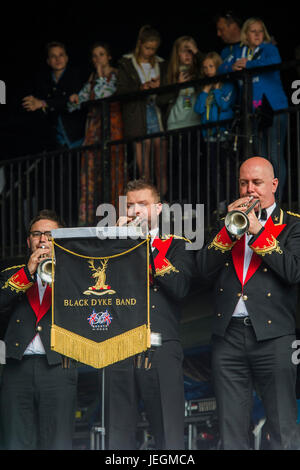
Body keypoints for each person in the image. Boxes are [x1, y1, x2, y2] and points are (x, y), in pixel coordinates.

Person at [196, 156, 300, 450]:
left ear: (274, 185)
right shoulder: (225, 223)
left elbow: (293, 271)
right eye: (244, 182)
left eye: (257, 182)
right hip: (228, 335)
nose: (249, 190)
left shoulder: (292, 224)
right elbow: (202, 269)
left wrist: (257, 231)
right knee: (231, 427)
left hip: (274, 336)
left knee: (282, 424)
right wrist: (229, 232)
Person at [104, 179, 195, 450]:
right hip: (119, 345)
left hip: (161, 346)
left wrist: (145, 245)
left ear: (158, 209)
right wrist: (115, 245)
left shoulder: (178, 245)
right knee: (117, 434)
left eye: (142, 204)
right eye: (129, 205)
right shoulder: (110, 245)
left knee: (168, 432)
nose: (134, 211)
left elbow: (179, 288)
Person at [0, 209, 78, 450]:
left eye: (50, 234)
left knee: (57, 441)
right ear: (29, 241)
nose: (43, 239)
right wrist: (28, 273)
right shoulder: (10, 275)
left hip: (58, 366)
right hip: (17, 368)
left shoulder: (76, 276)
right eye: (37, 234)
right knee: (15, 440)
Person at [218, 18, 289, 195]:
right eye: (253, 31)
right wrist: (233, 66)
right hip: (253, 113)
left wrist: (247, 64)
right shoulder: (240, 51)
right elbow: (221, 68)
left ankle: (277, 200)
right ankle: (264, 199)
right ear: (245, 35)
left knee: (274, 155)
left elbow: (274, 61)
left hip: (274, 109)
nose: (257, 34)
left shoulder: (268, 48)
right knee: (261, 158)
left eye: (260, 31)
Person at [68, 42, 124, 225]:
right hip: (93, 130)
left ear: (108, 56)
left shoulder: (116, 75)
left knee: (114, 172)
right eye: (94, 55)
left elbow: (105, 96)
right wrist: (75, 98)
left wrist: (101, 77)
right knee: (91, 174)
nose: (98, 59)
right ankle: (90, 220)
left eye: (101, 54)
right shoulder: (92, 78)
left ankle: (116, 218)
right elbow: (78, 102)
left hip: (112, 130)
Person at [117, 25, 168, 198]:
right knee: (143, 165)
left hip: (156, 112)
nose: (150, 52)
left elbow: (168, 91)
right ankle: (145, 200)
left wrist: (158, 87)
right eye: (147, 48)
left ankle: (162, 198)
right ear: (140, 44)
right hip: (137, 114)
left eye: (154, 49)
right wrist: (142, 88)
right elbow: (121, 91)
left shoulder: (161, 63)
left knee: (161, 163)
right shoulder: (126, 62)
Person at [157, 36, 203, 204]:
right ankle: (177, 200)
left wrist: (198, 54)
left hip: (195, 124)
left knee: (194, 166)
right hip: (175, 125)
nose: (188, 54)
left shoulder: (200, 71)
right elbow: (160, 100)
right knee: (176, 166)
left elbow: (213, 69)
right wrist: (177, 86)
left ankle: (193, 200)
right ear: (177, 53)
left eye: (191, 50)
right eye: (185, 50)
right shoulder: (170, 73)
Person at [22, 41, 86, 149]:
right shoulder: (44, 81)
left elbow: (70, 101)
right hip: (55, 139)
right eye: (53, 56)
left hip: (77, 136)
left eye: (61, 55)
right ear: (48, 61)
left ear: (66, 58)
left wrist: (43, 103)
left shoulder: (76, 75)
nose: (58, 59)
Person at [194, 52, 237, 213]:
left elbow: (225, 105)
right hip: (210, 136)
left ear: (218, 66)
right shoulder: (206, 88)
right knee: (214, 171)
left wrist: (217, 90)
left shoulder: (227, 85)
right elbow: (198, 109)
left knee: (228, 169)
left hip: (224, 134)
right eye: (205, 67)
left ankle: (233, 200)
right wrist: (205, 91)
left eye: (211, 66)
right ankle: (220, 202)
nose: (208, 70)